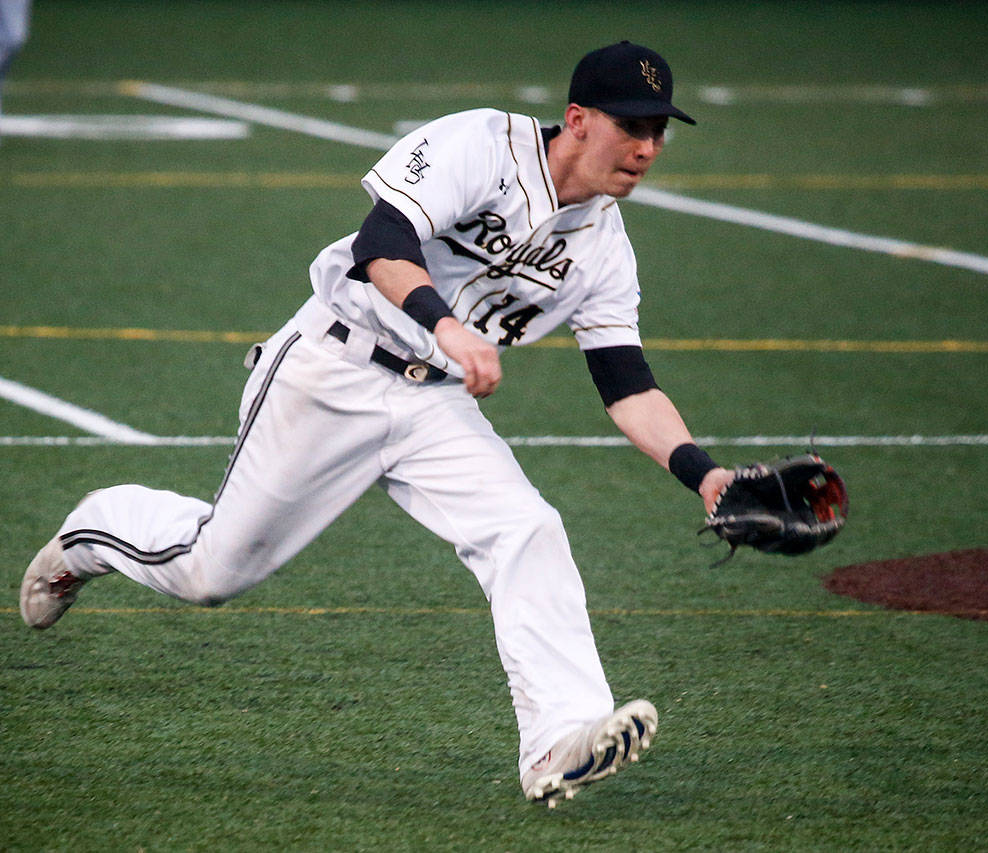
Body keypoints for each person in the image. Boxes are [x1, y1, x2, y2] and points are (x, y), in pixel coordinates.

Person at [19, 40, 736, 807]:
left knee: (526, 526)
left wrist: (705, 472)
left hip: (433, 402)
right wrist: (450, 327)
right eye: (633, 125)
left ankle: (560, 738)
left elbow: (626, 382)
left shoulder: (602, 248)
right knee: (211, 572)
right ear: (578, 119)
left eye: (659, 130)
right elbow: (380, 244)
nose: (648, 147)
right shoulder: (480, 145)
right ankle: (89, 534)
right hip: (331, 369)